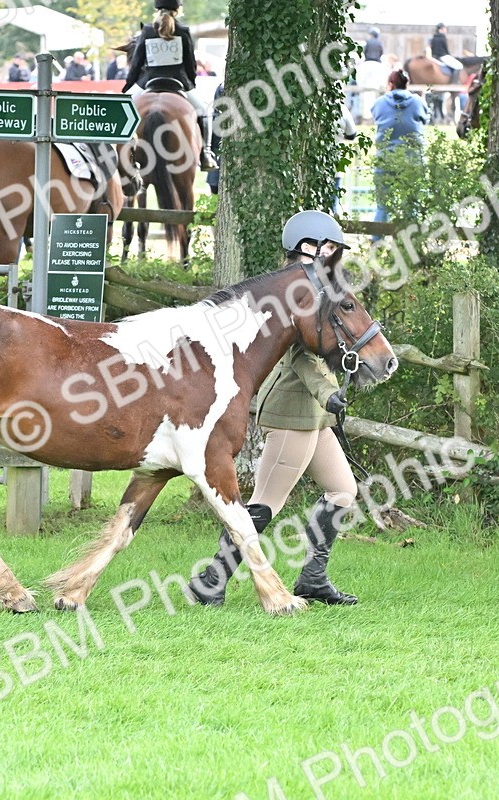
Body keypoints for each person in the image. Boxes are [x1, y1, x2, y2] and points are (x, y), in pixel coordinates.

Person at [189, 211, 363, 607]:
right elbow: (301, 360)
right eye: (329, 249)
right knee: (265, 503)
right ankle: (211, 580)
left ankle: (313, 579)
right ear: (307, 248)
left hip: (315, 417)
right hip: (292, 413)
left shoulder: (320, 290)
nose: (333, 257)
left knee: (342, 491)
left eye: (336, 249)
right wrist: (326, 393)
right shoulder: (293, 294)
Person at [123, 0, 217, 170]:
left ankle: (119, 154)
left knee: (120, 109)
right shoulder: (183, 31)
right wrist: (191, 83)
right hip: (178, 83)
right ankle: (206, 154)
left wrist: (128, 86)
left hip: (148, 83)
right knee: (205, 112)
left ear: (157, 10)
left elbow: (136, 64)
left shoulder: (147, 30)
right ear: (178, 10)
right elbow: (190, 64)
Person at [370, 70, 429, 226]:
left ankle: (377, 242)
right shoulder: (418, 102)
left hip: (385, 159)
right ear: (407, 84)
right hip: (413, 159)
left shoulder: (379, 102)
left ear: (390, 84)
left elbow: (375, 115)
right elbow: (426, 119)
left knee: (382, 207)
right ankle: (411, 241)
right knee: (412, 206)